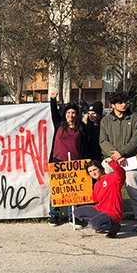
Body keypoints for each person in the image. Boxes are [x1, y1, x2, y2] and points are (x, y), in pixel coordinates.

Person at [100, 91, 137, 235]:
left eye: (125, 102)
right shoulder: (106, 121)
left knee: (134, 192)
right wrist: (115, 155)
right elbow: (103, 141)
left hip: (129, 161)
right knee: (110, 193)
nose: (124, 104)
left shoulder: (134, 118)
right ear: (113, 105)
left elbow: (136, 141)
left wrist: (121, 153)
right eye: (120, 102)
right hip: (110, 161)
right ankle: (109, 221)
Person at [49, 90, 85, 225]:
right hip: (58, 160)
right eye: (68, 113)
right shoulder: (59, 124)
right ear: (65, 114)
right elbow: (53, 112)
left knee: (74, 191)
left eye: (73, 113)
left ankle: (73, 217)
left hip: (75, 163)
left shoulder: (81, 127)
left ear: (76, 114)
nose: (71, 115)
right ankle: (54, 215)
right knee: (57, 189)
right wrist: (53, 99)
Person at [74, 159, 125, 238]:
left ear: (100, 169)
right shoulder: (96, 185)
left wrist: (112, 163)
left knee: (93, 224)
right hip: (100, 209)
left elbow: (121, 174)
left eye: (95, 170)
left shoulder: (111, 178)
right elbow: (95, 200)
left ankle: (114, 227)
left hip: (113, 212)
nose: (93, 173)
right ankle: (102, 223)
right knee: (77, 212)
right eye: (90, 172)